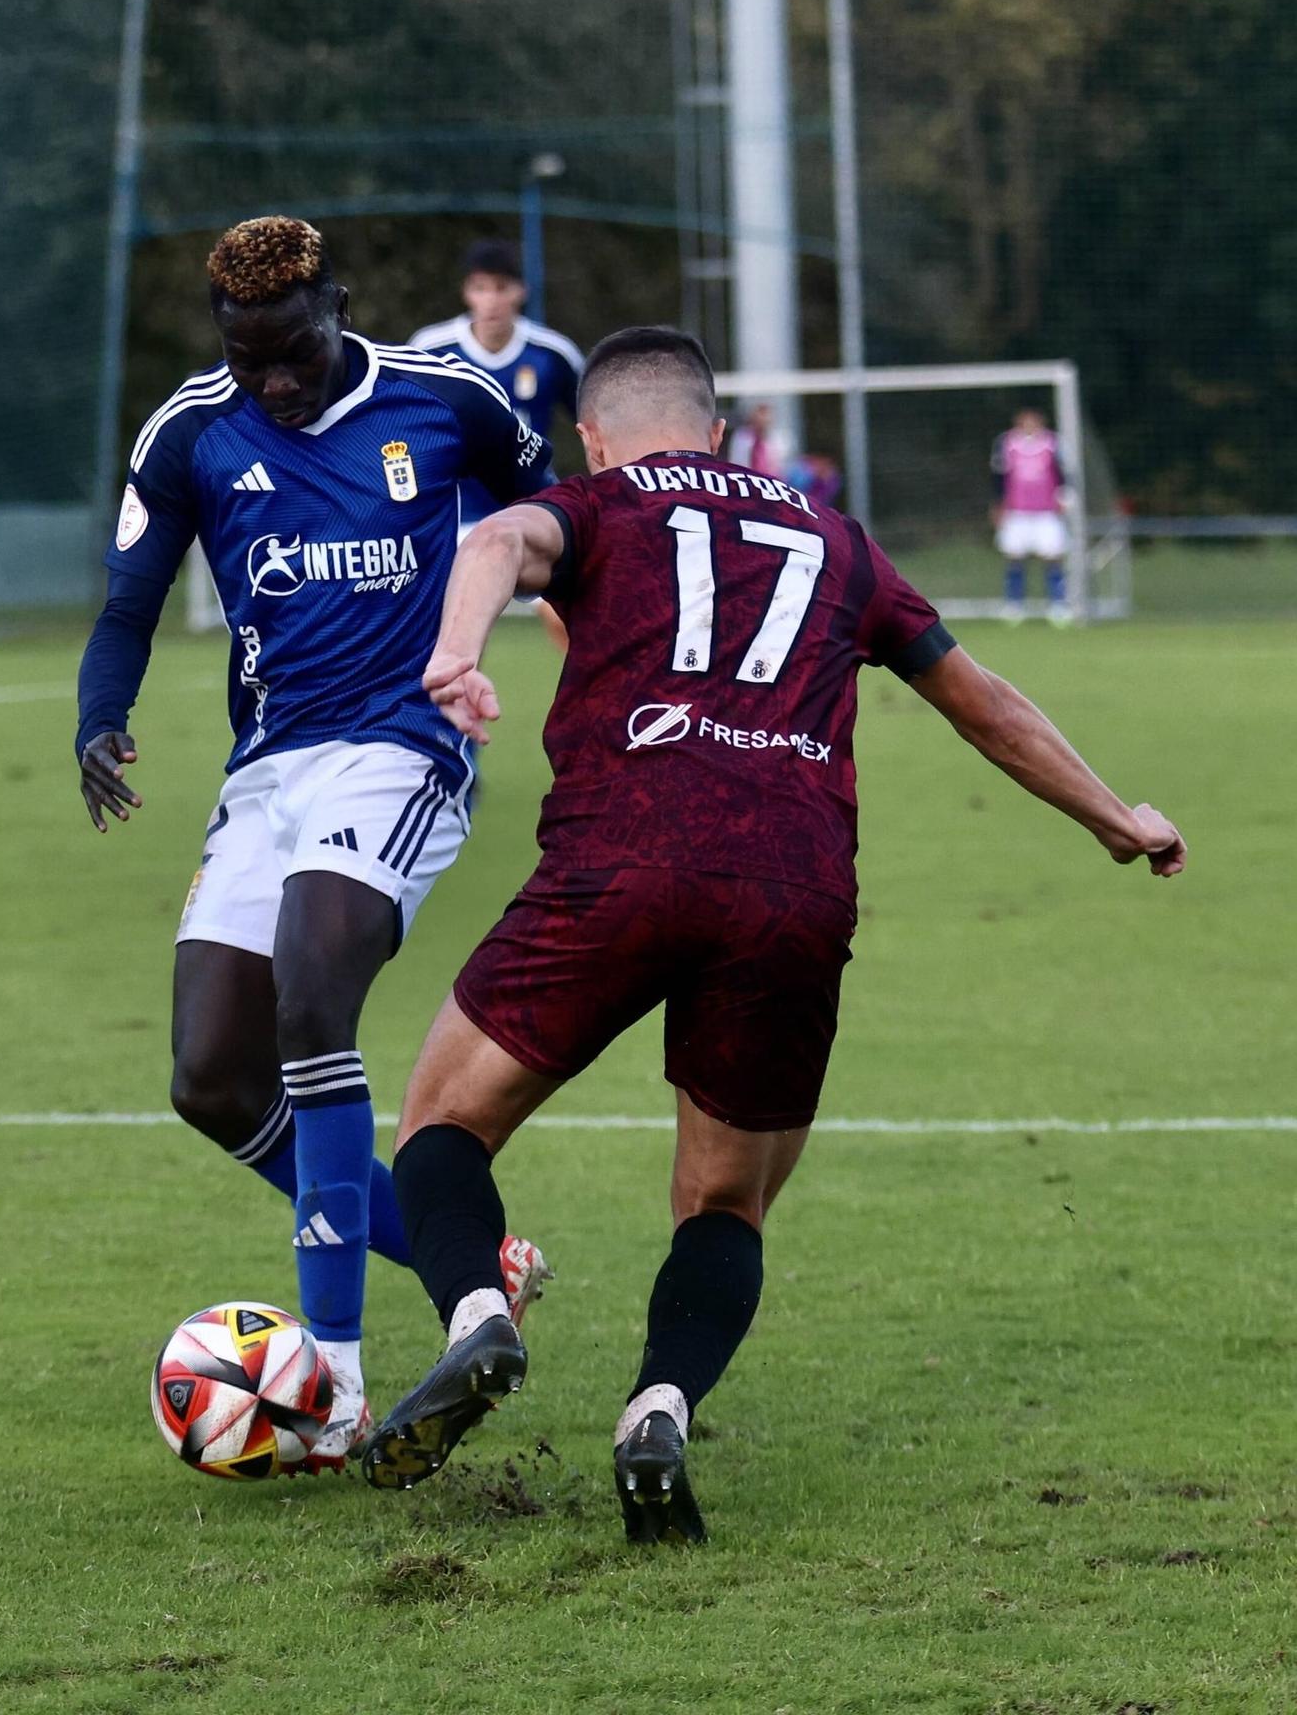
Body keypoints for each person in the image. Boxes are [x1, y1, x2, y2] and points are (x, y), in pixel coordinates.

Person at [359, 325, 1186, 1542]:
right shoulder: (837, 539)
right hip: (793, 881)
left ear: (595, 434)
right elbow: (983, 701)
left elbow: (495, 538)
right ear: (720, 426)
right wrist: (1117, 816)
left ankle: (482, 1309)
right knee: (725, 1202)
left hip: (624, 855)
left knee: (441, 1123)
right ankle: (660, 1403)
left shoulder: (596, 504)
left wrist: (455, 653)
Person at [75, 216, 555, 1469]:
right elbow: (129, 599)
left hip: (405, 747)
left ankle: (334, 1382)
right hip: (269, 765)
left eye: (292, 354)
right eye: (250, 362)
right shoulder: (191, 427)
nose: (274, 383)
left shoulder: (450, 400)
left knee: (308, 1006)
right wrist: (98, 718)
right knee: (211, 1072)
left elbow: (556, 524)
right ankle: (475, 1265)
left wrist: (554, 647)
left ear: (334, 306)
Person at [409, 238, 583, 526]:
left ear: (521, 291)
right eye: (480, 288)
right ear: (466, 292)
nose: (491, 300)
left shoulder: (553, 353)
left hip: (532, 513)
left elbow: (593, 427)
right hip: (452, 518)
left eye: (501, 287)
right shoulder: (430, 349)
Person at [991, 407, 1070, 620]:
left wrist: (1064, 497)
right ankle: (1014, 605)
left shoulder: (1053, 443)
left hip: (1046, 511)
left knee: (1053, 556)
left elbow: (1063, 474)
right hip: (1017, 511)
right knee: (1014, 556)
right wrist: (998, 505)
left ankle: (1058, 605)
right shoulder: (1006, 443)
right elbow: (998, 476)